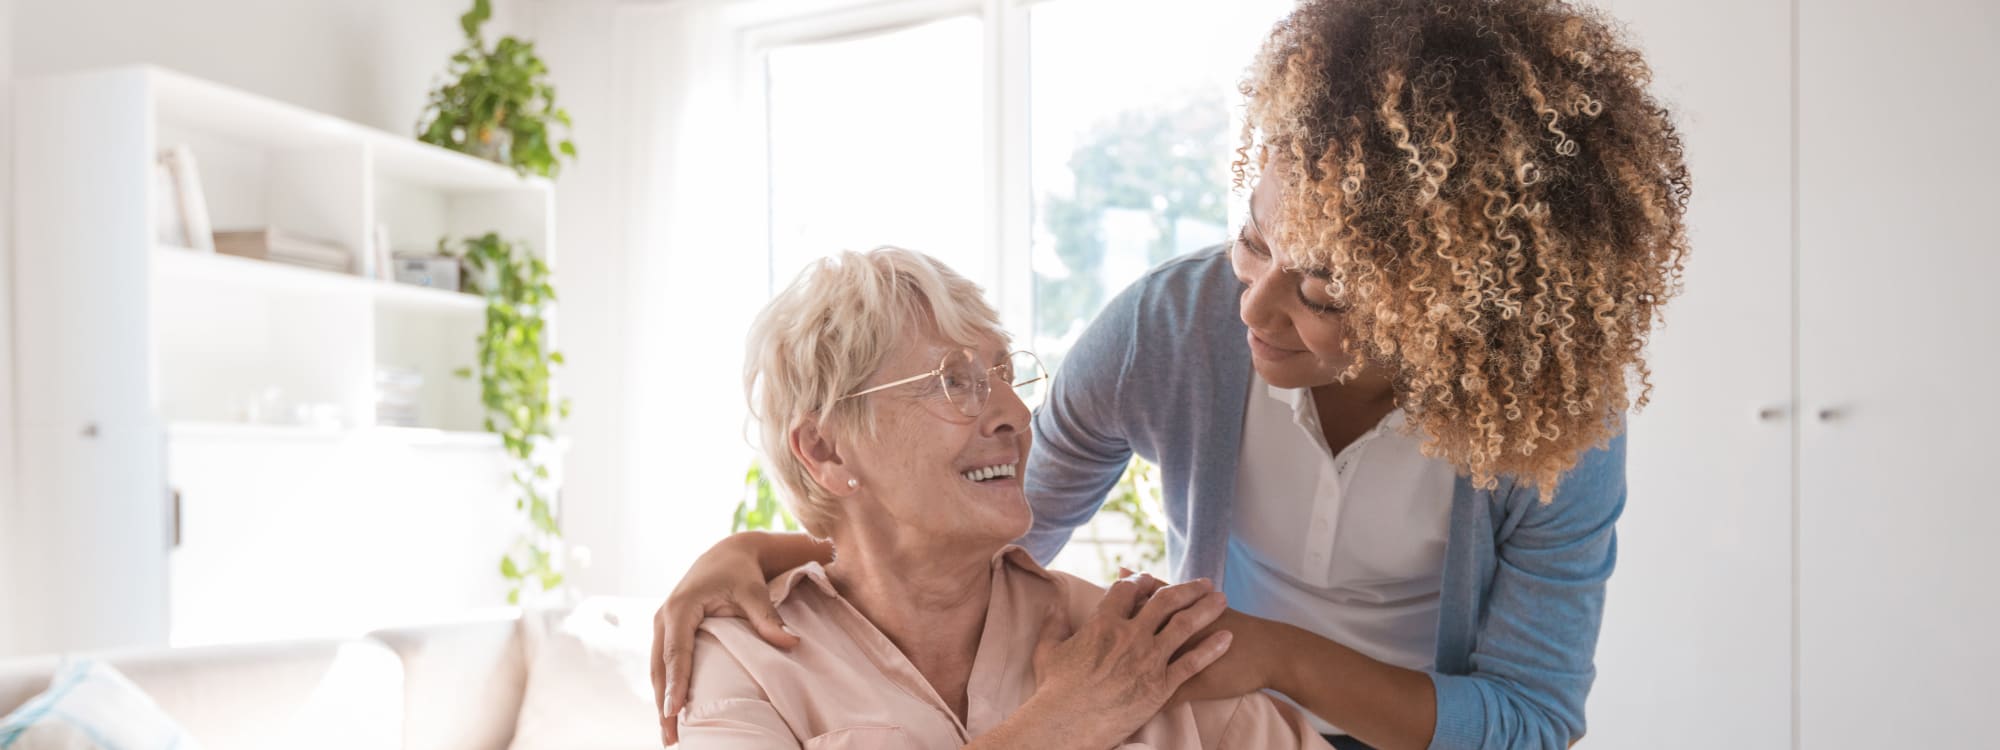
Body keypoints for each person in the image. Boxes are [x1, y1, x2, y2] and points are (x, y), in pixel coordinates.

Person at [656, 1, 1690, 748]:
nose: (1251, 307)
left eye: (1321, 291)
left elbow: (1529, 718)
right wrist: (764, 548)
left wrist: (1276, 656)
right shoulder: (1168, 329)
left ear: (1452, 309)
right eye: (1251, 242)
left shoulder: (1549, 420)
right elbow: (990, 523)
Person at [673, 246, 1328, 748]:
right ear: (825, 450)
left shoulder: (1130, 645)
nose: (1016, 413)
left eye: (1005, 375)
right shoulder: (745, 658)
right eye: (952, 381)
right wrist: (1059, 724)